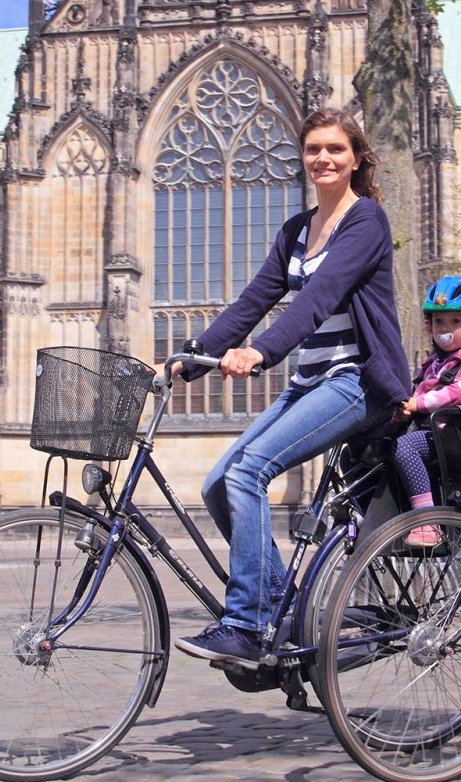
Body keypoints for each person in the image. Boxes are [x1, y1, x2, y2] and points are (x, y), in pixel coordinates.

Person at [173, 108, 410, 668]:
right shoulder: (296, 230)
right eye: (313, 150)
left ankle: (248, 624)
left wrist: (262, 352)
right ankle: (283, 606)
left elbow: (319, 296)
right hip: (310, 381)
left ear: (355, 159)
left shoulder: (367, 220)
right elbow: (253, 301)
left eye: (335, 150)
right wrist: (189, 362)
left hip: (357, 381)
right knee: (217, 483)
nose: (323, 159)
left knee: (250, 470)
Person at [393, 276, 461, 547]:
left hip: (454, 436)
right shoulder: (435, 363)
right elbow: (418, 394)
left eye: (454, 322)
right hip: (431, 432)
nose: (444, 329)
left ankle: (427, 523)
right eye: (439, 321)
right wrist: (407, 409)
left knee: (405, 448)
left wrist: (422, 404)